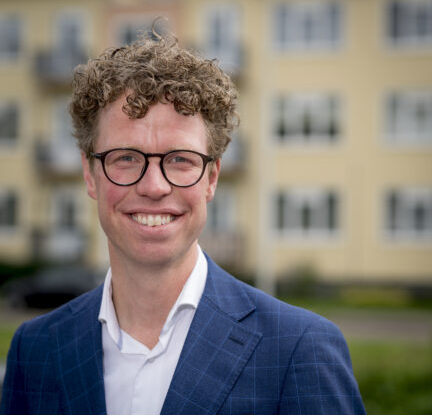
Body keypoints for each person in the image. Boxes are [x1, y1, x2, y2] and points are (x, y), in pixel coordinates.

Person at [0, 35, 366, 415]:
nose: (154, 186)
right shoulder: (36, 349)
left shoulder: (300, 349)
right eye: (125, 157)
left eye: (180, 159)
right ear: (90, 174)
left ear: (211, 178)